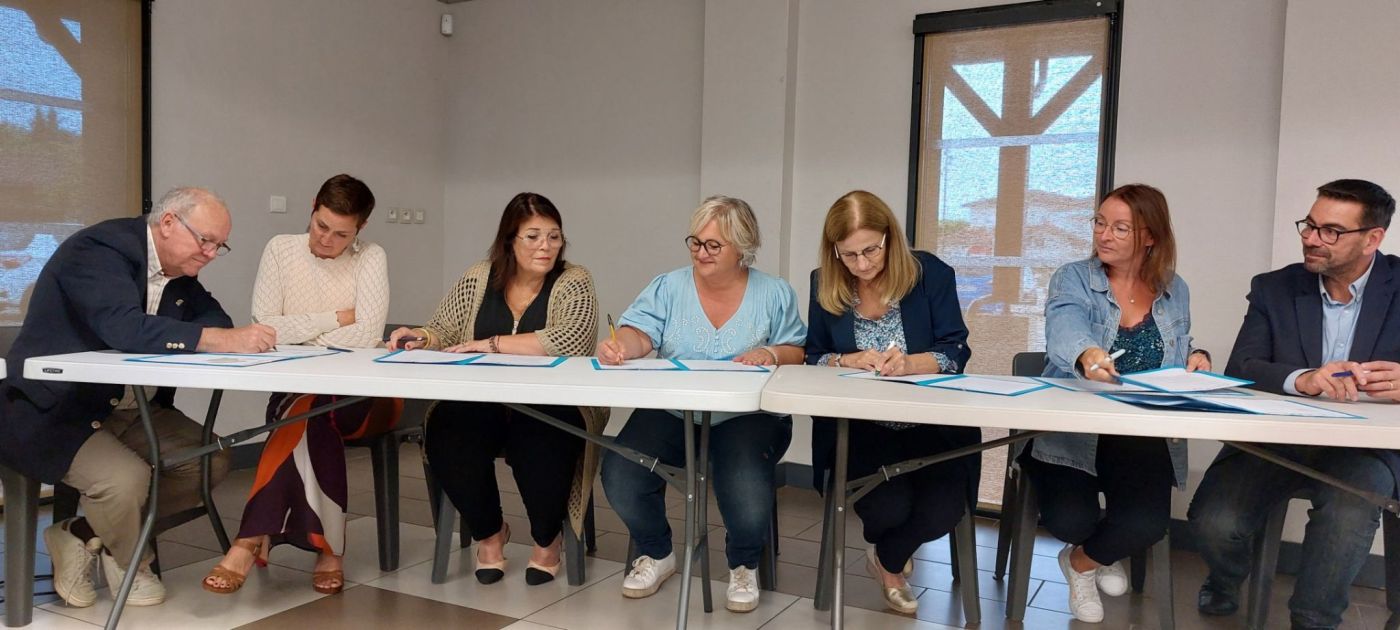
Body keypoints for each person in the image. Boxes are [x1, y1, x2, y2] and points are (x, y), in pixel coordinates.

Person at [0, 188, 263, 608]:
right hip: (54, 408)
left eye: (220, 245)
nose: (212, 254)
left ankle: (81, 534)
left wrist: (217, 335)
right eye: (206, 240)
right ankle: (132, 561)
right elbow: (124, 328)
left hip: (127, 408)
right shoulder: (100, 250)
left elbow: (217, 319)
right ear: (169, 223)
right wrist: (216, 339)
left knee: (209, 459)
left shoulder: (178, 271)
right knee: (125, 481)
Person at [1190, 179, 1400, 630]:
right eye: (1309, 224)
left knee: (1348, 513)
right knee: (1213, 522)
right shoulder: (1274, 288)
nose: (1311, 238)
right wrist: (1304, 379)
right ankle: (1226, 579)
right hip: (1277, 438)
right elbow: (1242, 366)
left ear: (1373, 239)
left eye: (1330, 231)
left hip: (1364, 449)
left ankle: (1312, 622)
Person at [598, 195, 806, 613]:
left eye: (714, 245)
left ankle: (744, 565)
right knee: (621, 470)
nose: (701, 253)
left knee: (745, 482)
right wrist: (622, 346)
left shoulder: (774, 292)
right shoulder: (668, 286)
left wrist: (769, 353)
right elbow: (640, 334)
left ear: (742, 248)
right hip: (675, 408)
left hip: (747, 414)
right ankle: (657, 552)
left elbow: (796, 350)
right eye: (695, 242)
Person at [387, 192, 605, 586]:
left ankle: (547, 539)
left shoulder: (574, 279)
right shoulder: (478, 277)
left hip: (551, 402)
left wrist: (492, 344)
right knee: (447, 428)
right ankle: (490, 533)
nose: (545, 246)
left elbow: (570, 340)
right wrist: (421, 336)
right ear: (510, 240)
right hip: (483, 400)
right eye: (533, 237)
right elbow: (443, 329)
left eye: (554, 236)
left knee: (539, 437)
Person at [202, 174, 394, 595]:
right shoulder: (280, 249)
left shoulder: (371, 256)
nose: (327, 239)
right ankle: (330, 550)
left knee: (305, 412)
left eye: (341, 234)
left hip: (364, 394)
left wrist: (300, 333)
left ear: (360, 229)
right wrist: (336, 318)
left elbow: (368, 335)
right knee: (310, 415)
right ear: (312, 208)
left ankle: (249, 540)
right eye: (321, 226)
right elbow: (264, 326)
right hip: (298, 394)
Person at [1031, 183, 1211, 623]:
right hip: (1074, 429)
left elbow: (1175, 348)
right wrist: (1087, 354)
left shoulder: (1175, 288)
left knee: (1146, 524)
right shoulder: (1073, 277)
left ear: (1149, 236)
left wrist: (1197, 357)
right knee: (1070, 521)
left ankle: (1081, 563)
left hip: (1139, 431)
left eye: (1120, 228)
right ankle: (1099, 551)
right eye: (1099, 222)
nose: (1103, 234)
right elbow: (1064, 326)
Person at [804, 190, 974, 614]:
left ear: (890, 238)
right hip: (861, 428)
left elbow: (955, 350)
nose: (862, 265)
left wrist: (912, 363)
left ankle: (887, 559)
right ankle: (894, 567)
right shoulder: (824, 282)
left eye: (870, 250)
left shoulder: (930, 274)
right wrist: (846, 359)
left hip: (932, 424)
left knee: (943, 510)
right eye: (849, 255)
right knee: (886, 508)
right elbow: (814, 355)